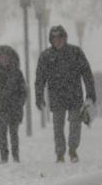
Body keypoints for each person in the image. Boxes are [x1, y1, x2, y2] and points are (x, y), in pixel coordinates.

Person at [35, 25, 96, 163]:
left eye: (60, 38)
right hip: (56, 96)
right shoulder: (46, 56)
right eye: (55, 38)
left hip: (75, 94)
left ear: (64, 38)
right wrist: (39, 96)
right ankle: (60, 152)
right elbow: (40, 79)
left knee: (75, 123)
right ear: (51, 40)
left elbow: (87, 74)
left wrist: (90, 93)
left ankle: (73, 149)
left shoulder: (75, 52)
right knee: (58, 126)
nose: (58, 41)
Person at [0, 45, 27, 163]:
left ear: (10, 58)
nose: (4, 60)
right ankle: (4, 157)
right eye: (2, 58)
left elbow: (23, 90)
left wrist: (19, 102)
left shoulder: (17, 73)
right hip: (0, 109)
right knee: (2, 135)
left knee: (14, 134)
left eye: (6, 58)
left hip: (14, 109)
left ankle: (15, 156)